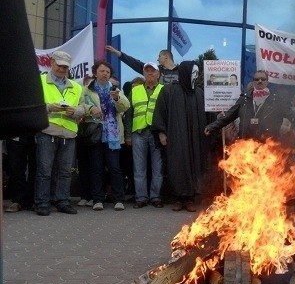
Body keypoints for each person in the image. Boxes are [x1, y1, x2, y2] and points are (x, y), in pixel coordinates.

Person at [153, 61, 211, 212]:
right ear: (185, 73)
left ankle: (191, 198)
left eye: (197, 74)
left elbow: (209, 114)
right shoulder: (168, 91)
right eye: (193, 73)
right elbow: (160, 112)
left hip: (196, 138)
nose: (196, 76)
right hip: (176, 136)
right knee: (177, 164)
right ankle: (178, 199)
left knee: (195, 164)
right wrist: (161, 132)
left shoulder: (199, 92)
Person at [34, 50, 86, 216]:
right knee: (45, 170)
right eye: (60, 65)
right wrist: (49, 107)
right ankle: (42, 203)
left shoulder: (77, 87)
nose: (63, 69)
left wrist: (76, 111)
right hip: (47, 131)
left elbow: (84, 108)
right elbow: (32, 106)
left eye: (65, 67)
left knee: (65, 172)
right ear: (52, 63)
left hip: (69, 134)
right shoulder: (39, 81)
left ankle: (62, 201)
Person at [80, 60, 130, 211]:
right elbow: (81, 104)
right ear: (95, 73)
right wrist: (90, 109)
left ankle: (119, 199)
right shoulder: (87, 89)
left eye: (107, 72)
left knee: (114, 167)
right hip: (95, 133)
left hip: (113, 134)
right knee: (96, 167)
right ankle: (97, 200)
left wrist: (116, 98)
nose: (105, 74)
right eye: (102, 71)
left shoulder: (115, 89)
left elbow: (126, 106)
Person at [204, 70, 295, 141]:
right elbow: (228, 116)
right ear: (254, 82)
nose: (260, 81)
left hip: (268, 148)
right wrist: (212, 127)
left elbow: (292, 116)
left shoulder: (277, 101)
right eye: (257, 79)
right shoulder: (244, 99)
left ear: (267, 82)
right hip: (246, 146)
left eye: (263, 79)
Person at [129, 63, 165, 209]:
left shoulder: (164, 89)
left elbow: (167, 113)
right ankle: (141, 198)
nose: (150, 73)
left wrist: (165, 132)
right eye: (147, 71)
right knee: (139, 168)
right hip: (139, 132)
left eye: (153, 71)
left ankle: (155, 197)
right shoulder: (135, 90)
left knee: (158, 168)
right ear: (143, 73)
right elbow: (129, 113)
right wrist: (127, 135)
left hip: (157, 133)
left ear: (158, 74)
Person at [105, 45, 179, 85]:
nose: (157, 59)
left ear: (166, 56)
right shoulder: (156, 71)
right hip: (162, 106)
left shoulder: (182, 71)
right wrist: (118, 53)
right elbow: (135, 63)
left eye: (159, 56)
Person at [4, 134, 36, 213]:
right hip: (15, 132)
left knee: (36, 168)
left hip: (36, 132)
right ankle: (18, 201)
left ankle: (33, 200)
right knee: (16, 169)